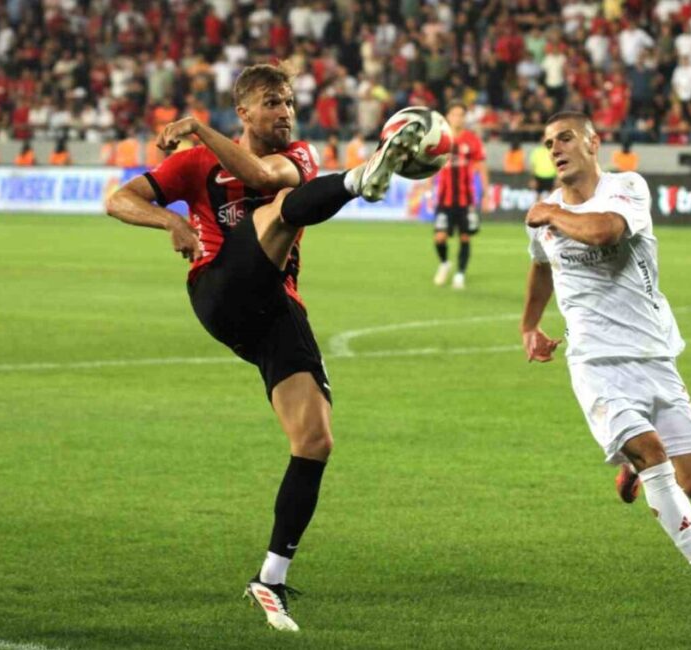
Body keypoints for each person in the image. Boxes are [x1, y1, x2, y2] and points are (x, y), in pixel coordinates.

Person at [105, 62, 426, 632]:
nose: (285, 112)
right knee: (275, 211)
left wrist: (199, 127)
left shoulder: (297, 155)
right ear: (245, 112)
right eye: (272, 103)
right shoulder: (193, 164)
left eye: (289, 103)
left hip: (275, 308)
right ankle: (360, 182)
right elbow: (118, 198)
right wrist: (168, 223)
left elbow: (257, 170)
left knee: (315, 439)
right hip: (219, 290)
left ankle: (270, 578)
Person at [520, 112, 691, 599]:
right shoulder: (544, 214)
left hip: (654, 354)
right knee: (653, 450)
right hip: (596, 363)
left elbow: (607, 232)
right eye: (550, 142)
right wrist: (530, 325)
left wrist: (551, 214)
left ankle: (635, 467)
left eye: (567, 138)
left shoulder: (627, 188)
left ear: (593, 143)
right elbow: (541, 268)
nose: (556, 149)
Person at [432, 101, 488, 289]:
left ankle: (460, 274)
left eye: (461, 115)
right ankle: (445, 263)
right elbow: (432, 166)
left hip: (465, 199)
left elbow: (481, 166)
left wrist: (486, 193)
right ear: (447, 116)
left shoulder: (472, 140)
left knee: (465, 237)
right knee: (440, 237)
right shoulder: (440, 139)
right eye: (454, 114)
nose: (458, 118)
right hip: (443, 198)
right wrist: (426, 188)